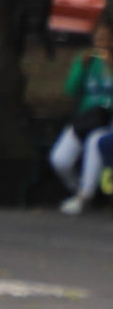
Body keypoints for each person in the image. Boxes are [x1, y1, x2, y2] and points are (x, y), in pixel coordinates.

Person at [50, 19, 113, 215]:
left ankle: (85, 196)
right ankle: (79, 190)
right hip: (87, 117)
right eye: (98, 37)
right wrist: (82, 67)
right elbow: (71, 89)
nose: (101, 42)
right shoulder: (86, 59)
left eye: (106, 38)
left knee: (95, 143)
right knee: (59, 159)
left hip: (107, 119)